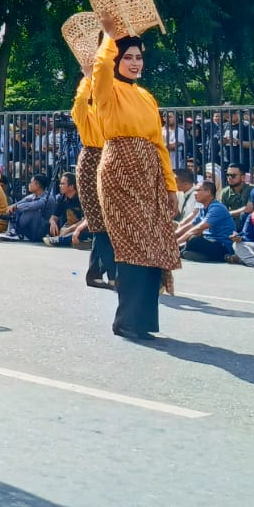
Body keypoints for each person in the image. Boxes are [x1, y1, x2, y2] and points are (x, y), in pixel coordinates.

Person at [93, 25, 181, 340]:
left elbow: (159, 144)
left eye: (138, 57)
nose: (134, 63)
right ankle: (126, 321)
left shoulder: (146, 96)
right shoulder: (107, 89)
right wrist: (109, 35)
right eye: (127, 57)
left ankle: (143, 321)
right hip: (119, 173)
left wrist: (170, 186)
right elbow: (100, 67)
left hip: (150, 174)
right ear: (116, 60)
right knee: (132, 245)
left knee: (153, 245)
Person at [70, 65, 114, 287]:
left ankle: (95, 273)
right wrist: (87, 78)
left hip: (110, 159)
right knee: (100, 222)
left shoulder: (109, 109)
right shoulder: (84, 112)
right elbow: (79, 101)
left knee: (106, 222)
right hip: (91, 162)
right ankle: (115, 275)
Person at [176, 178, 236, 262]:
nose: (195, 193)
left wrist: (176, 242)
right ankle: (199, 255)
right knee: (187, 241)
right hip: (209, 242)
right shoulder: (202, 208)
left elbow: (199, 228)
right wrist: (174, 235)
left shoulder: (217, 207)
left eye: (198, 190)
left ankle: (206, 256)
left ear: (208, 192)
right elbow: (191, 225)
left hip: (222, 246)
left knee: (193, 239)